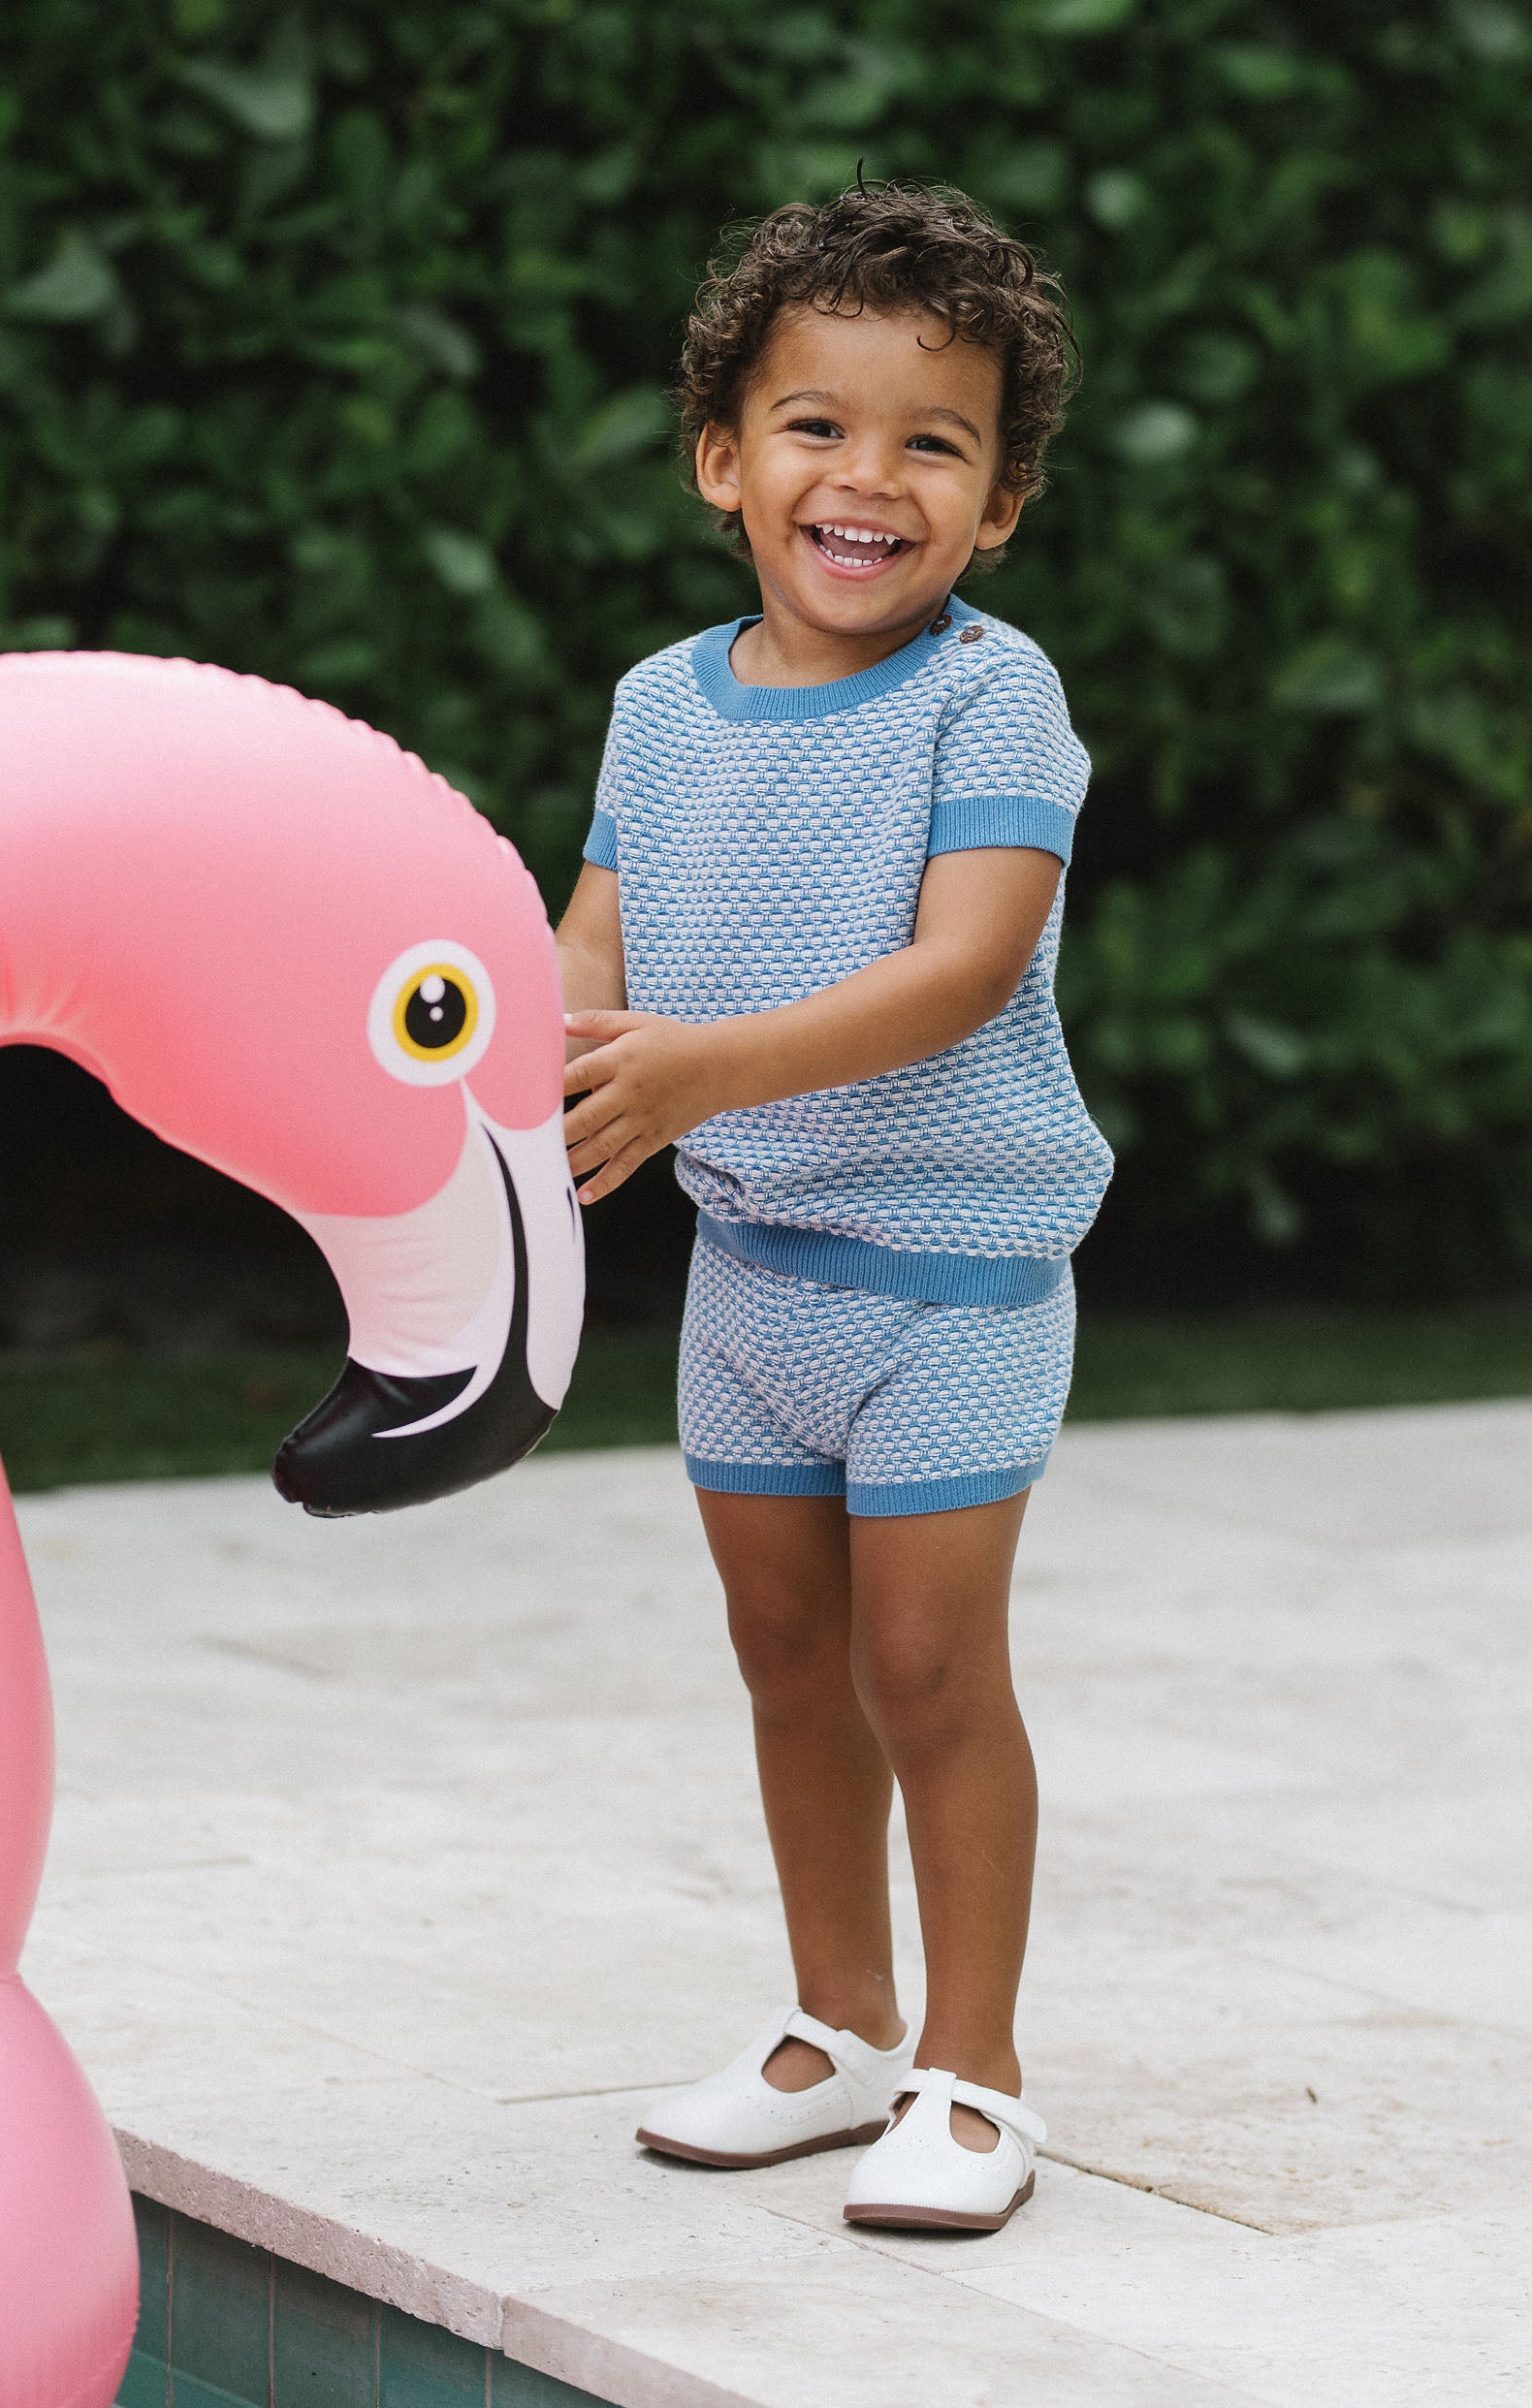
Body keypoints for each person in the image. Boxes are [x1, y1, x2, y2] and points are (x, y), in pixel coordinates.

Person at [553, 180, 1112, 2234]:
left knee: (927, 1670)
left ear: (1000, 503)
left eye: (933, 443)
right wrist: (534, 1051)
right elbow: (593, 941)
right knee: (787, 1658)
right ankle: (839, 2024)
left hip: (950, 1279)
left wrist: (702, 1067)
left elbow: (962, 968)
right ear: (724, 459)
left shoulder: (992, 696)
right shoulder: (658, 704)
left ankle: (976, 2071)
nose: (868, 476)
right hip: (752, 1276)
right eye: (815, 425)